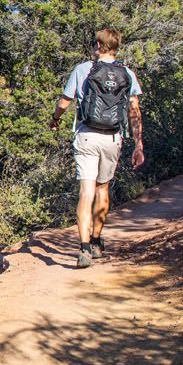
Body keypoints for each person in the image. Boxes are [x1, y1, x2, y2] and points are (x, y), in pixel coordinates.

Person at [49, 28, 144, 268]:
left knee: (86, 191)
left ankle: (83, 250)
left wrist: (56, 118)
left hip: (87, 136)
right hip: (112, 138)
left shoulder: (83, 70)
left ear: (100, 46)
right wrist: (138, 143)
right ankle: (96, 241)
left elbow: (64, 101)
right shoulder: (128, 73)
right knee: (103, 189)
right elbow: (134, 110)